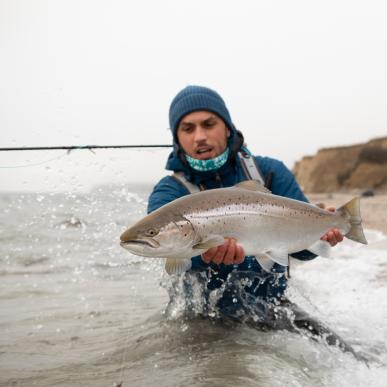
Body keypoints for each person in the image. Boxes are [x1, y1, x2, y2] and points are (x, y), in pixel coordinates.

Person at [147, 85, 357, 354]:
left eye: (208, 124)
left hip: (273, 307)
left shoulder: (270, 172)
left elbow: (303, 253)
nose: (199, 136)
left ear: (227, 128)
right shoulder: (169, 192)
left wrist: (323, 232)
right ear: (177, 137)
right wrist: (204, 254)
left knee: (346, 356)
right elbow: (169, 256)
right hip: (201, 320)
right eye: (187, 129)